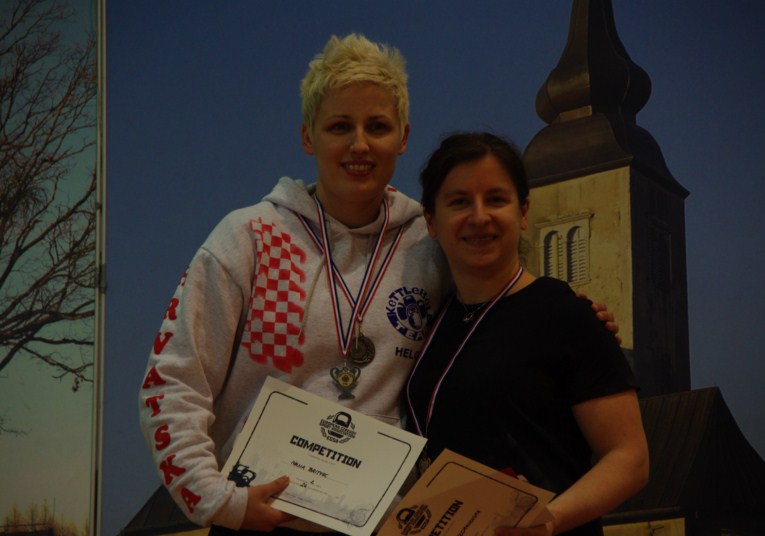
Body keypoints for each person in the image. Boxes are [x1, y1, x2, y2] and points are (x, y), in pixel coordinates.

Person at [139, 35, 619, 534]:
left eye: (377, 127)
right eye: (339, 126)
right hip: (263, 521)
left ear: (403, 137)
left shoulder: (429, 243)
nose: (360, 145)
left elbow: (505, 308)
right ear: (308, 137)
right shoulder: (247, 239)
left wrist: (580, 316)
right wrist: (217, 500)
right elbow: (172, 384)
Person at [406, 132, 648, 536]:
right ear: (431, 220)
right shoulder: (433, 322)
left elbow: (630, 459)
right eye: (460, 202)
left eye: (496, 199)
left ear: (522, 212)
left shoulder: (566, 313)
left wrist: (548, 520)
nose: (479, 217)